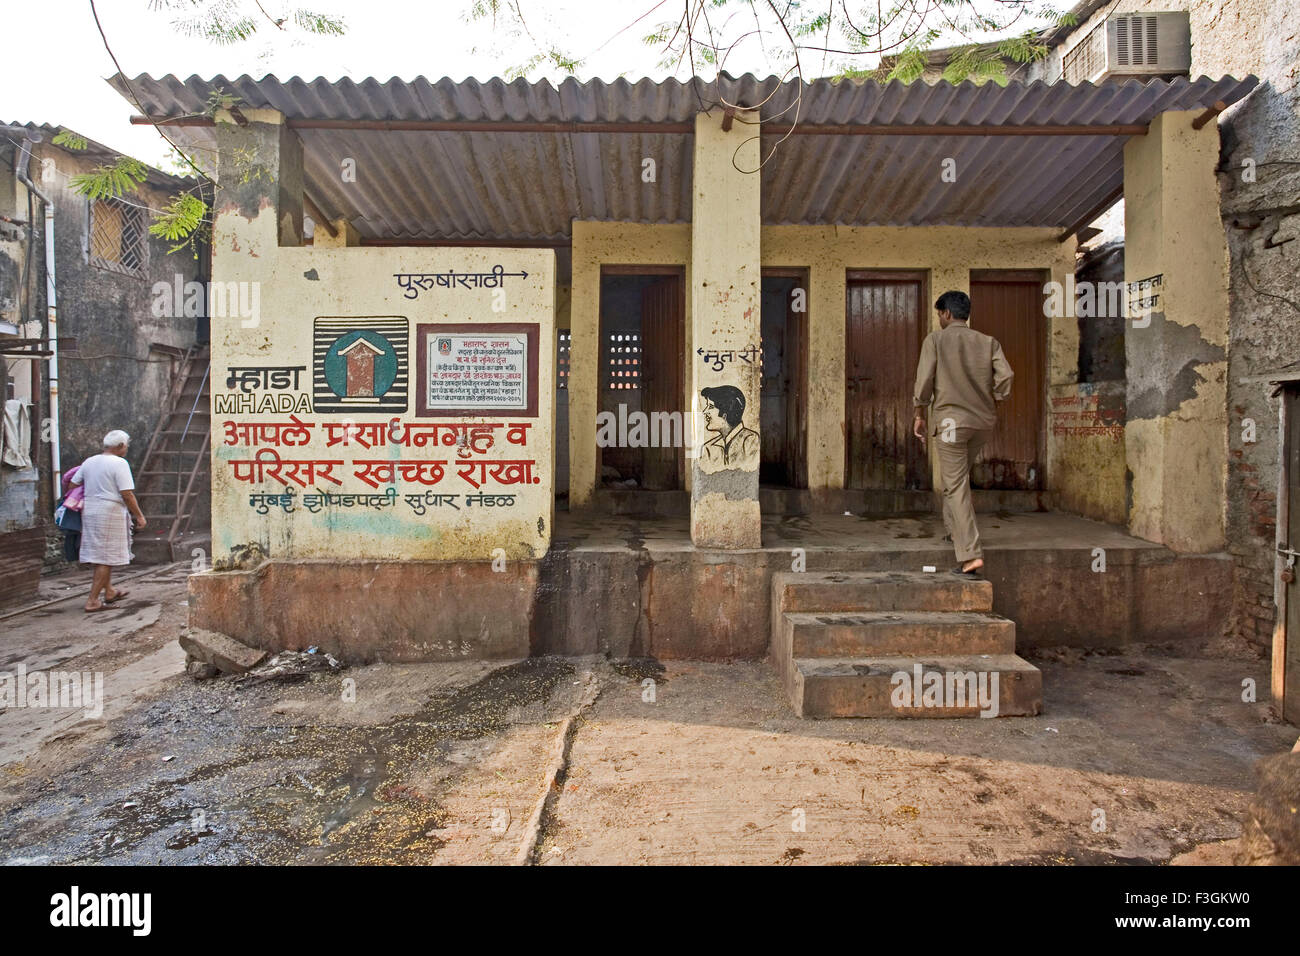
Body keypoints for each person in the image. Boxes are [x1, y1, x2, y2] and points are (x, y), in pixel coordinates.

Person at [912, 291, 1013, 576]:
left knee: (956, 485)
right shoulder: (988, 342)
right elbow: (1006, 377)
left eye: (939, 314)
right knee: (956, 478)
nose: (939, 319)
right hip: (982, 422)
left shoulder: (935, 340)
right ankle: (953, 531)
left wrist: (919, 413)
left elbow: (923, 382)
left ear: (946, 313)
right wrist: (994, 396)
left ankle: (970, 554)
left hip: (950, 424)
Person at [71, 430, 147, 611]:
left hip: (90, 509)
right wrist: (139, 515)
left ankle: (110, 590)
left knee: (102, 554)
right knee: (105, 557)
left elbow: (73, 483)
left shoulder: (90, 461)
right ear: (121, 446)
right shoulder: (119, 463)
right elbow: (127, 494)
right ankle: (93, 600)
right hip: (109, 511)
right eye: (126, 445)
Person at [699, 385, 759, 468]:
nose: (705, 412)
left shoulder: (749, 439)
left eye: (710, 407)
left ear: (724, 413)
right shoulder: (708, 447)